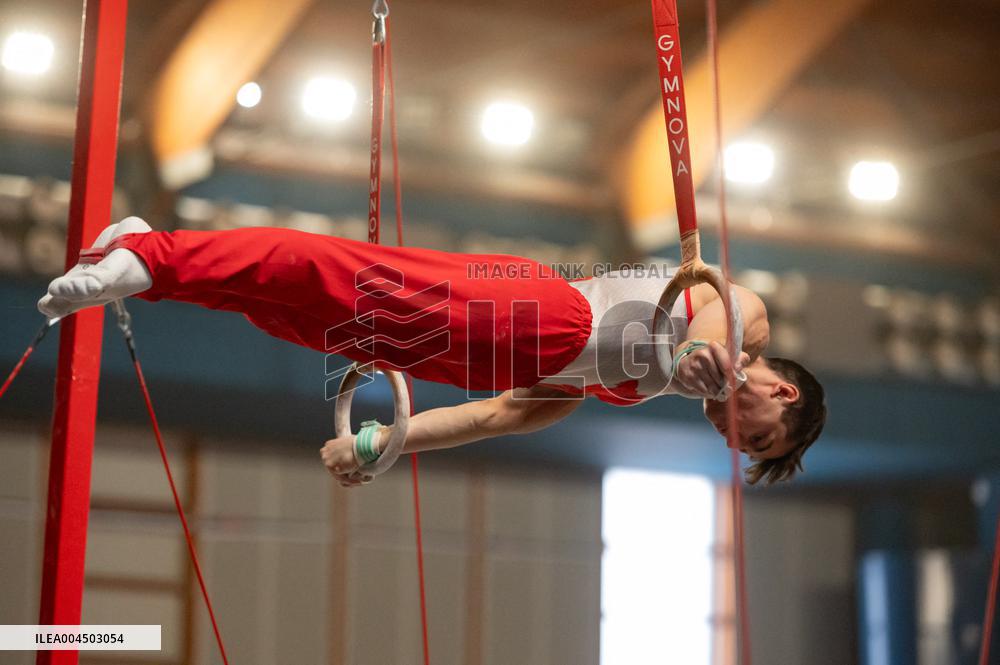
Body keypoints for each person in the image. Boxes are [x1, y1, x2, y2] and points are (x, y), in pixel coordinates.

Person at [39, 217, 826, 488]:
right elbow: (729, 310)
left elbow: (503, 413)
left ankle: (148, 261)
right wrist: (695, 347)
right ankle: (160, 256)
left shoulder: (638, 388)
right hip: (538, 312)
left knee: (306, 320)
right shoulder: (739, 328)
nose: (731, 438)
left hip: (501, 358)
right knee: (332, 273)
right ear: (781, 393)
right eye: (754, 434)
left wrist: (384, 441)